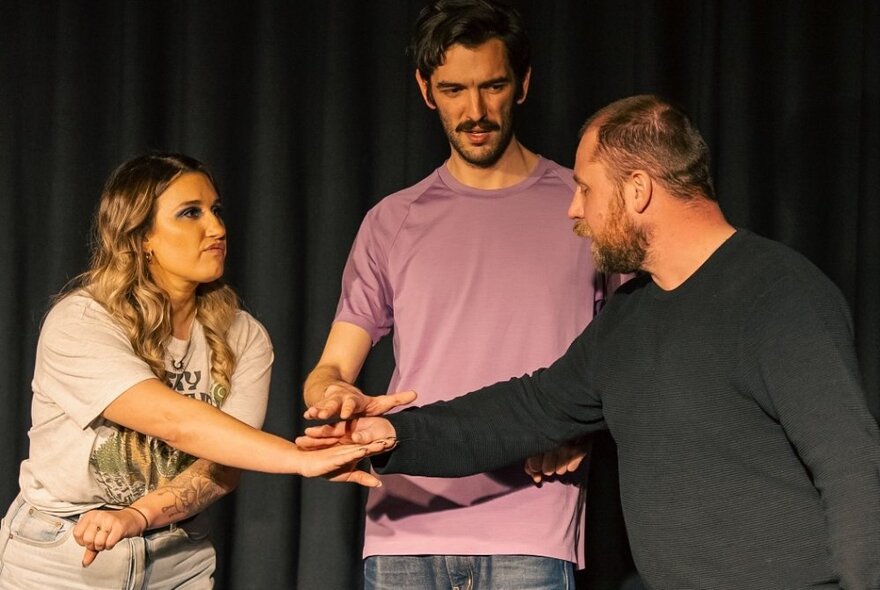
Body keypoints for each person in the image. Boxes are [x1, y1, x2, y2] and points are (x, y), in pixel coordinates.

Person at [301, 95, 880, 589]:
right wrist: (391, 435)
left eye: (584, 189)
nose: (574, 210)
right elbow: (524, 409)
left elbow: (851, 463)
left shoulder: (778, 291)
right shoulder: (628, 320)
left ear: (636, 191)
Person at [302, 1, 624, 588]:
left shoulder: (584, 208)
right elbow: (330, 368)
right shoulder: (392, 220)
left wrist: (583, 427)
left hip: (531, 529)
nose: (474, 111)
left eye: (492, 85)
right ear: (427, 90)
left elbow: (636, 354)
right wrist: (333, 397)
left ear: (522, 84)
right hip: (403, 528)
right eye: (453, 89)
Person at [0, 153, 391, 590]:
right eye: (190, 213)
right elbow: (175, 422)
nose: (218, 229)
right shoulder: (81, 320)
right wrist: (298, 459)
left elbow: (222, 465)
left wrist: (138, 515)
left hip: (177, 559)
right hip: (63, 558)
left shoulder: (245, 336)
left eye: (216, 210)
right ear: (142, 236)